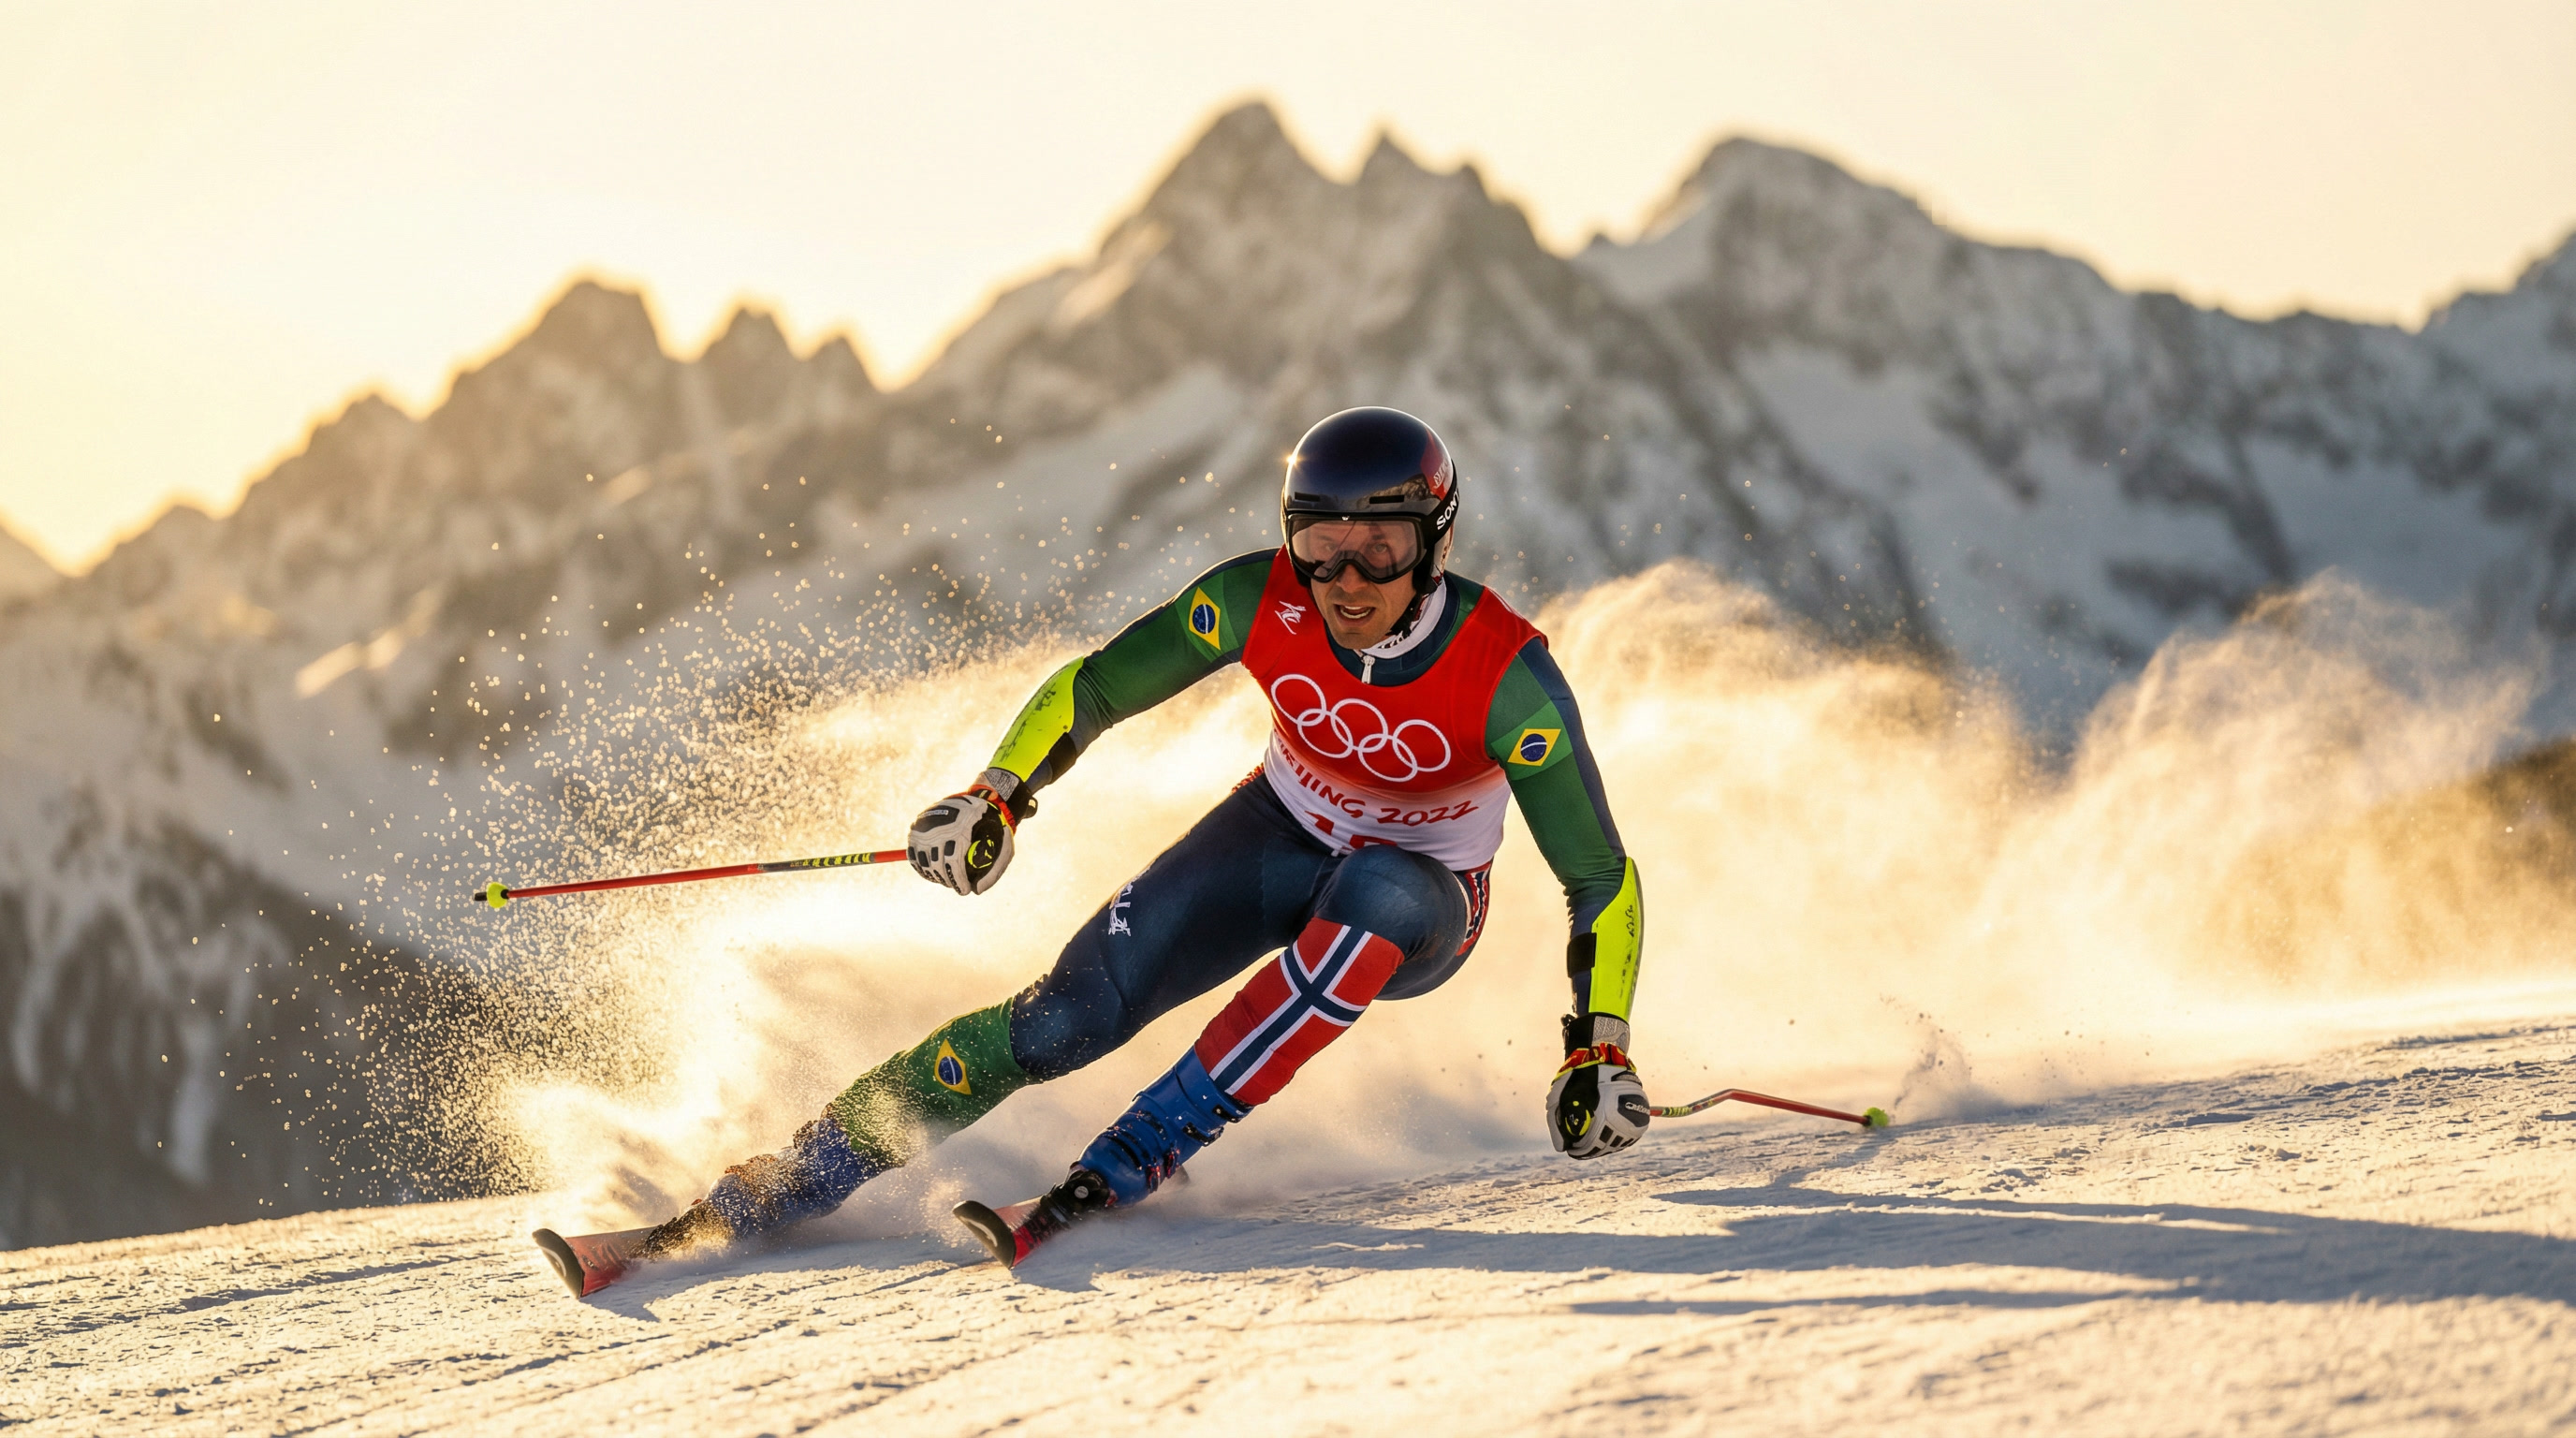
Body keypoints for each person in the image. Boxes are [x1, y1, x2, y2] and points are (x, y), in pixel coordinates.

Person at [541, 406, 1647, 1289]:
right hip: (1276, 831)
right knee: (1063, 1018)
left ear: (1433, 540)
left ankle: (1132, 1156)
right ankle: (775, 1187)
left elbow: (1599, 875)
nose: (1346, 582)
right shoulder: (1254, 599)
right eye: (1319, 548)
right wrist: (998, 795)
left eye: (1380, 550)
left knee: (1372, 892)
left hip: (1421, 903)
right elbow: (1097, 686)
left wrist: (1596, 1048)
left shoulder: (1507, 675)